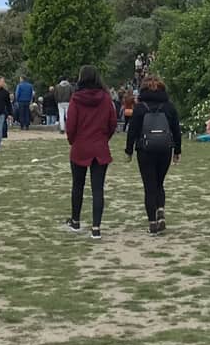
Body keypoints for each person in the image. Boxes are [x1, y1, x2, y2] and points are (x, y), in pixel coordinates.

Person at [64, 65, 116, 239]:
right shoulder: (106, 98)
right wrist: (104, 138)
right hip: (99, 146)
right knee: (97, 189)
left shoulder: (76, 99)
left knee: (77, 186)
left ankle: (76, 221)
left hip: (80, 146)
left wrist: (73, 140)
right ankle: (96, 227)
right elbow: (112, 123)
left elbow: (70, 124)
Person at [125, 75, 181, 233]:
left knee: (149, 186)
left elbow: (133, 131)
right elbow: (176, 130)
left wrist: (129, 150)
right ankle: (161, 211)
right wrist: (177, 150)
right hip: (165, 149)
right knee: (159, 183)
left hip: (145, 150)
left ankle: (152, 222)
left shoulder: (140, 108)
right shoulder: (169, 107)